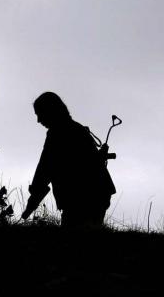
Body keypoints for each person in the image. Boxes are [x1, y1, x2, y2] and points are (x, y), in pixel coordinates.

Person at [21, 92, 116, 227]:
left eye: (39, 114)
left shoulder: (57, 133)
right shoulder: (77, 129)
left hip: (82, 198)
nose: (38, 120)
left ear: (50, 111)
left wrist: (32, 202)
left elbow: (45, 168)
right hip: (98, 194)